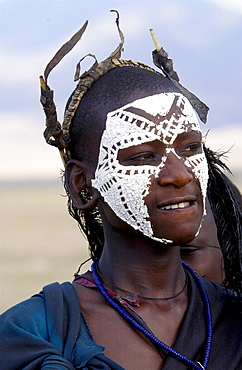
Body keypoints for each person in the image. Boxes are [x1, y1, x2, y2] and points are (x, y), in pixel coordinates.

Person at [1, 13, 242, 370]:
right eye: (144, 156)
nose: (178, 175)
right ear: (83, 184)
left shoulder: (234, 323)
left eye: (190, 149)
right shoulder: (34, 334)